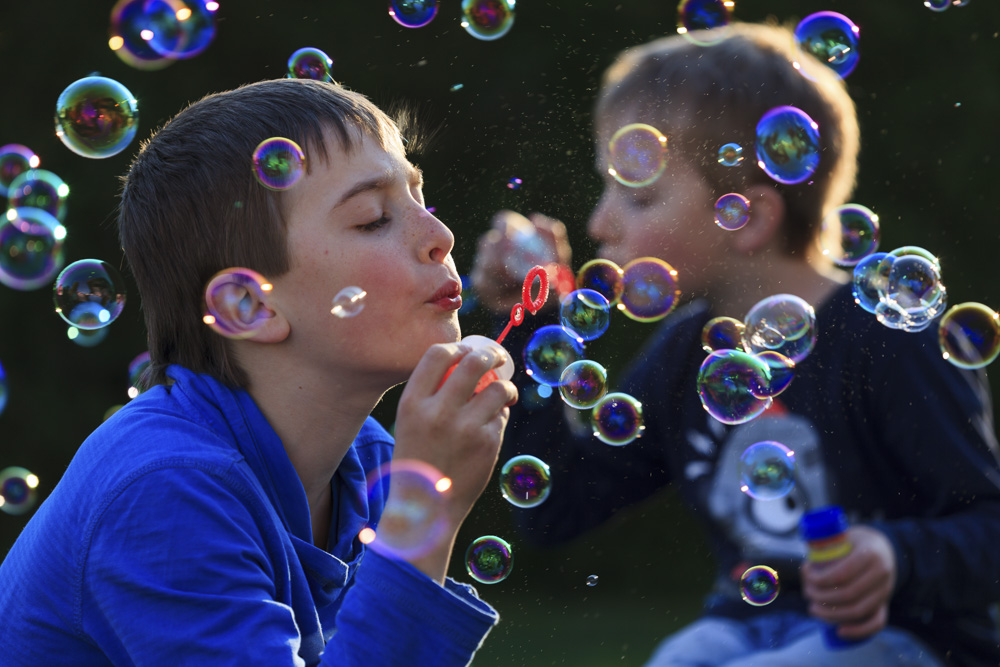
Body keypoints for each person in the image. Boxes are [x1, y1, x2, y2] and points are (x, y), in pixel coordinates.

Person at [471, 21, 1000, 667]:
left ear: (745, 215)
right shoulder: (686, 355)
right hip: (749, 630)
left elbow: (989, 528)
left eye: (638, 197)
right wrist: (530, 322)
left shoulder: (883, 341)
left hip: (911, 641)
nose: (599, 222)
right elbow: (556, 509)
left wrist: (897, 556)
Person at [0, 78, 519, 665]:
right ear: (250, 306)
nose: (441, 236)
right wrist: (424, 512)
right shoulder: (164, 491)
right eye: (374, 218)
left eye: (418, 199)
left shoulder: (361, 460)